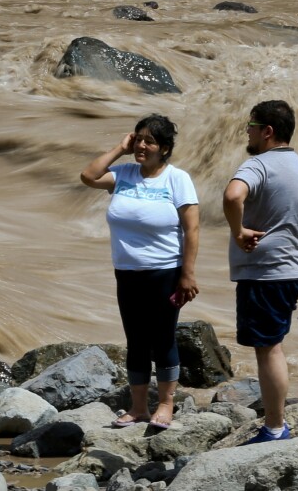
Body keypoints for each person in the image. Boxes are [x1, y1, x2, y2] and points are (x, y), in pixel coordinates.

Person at [80, 114, 199, 429]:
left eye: (150, 141)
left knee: (162, 338)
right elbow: (88, 176)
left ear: (165, 148)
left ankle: (166, 404)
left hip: (165, 272)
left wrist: (187, 274)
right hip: (127, 271)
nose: (142, 146)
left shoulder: (177, 179)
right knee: (135, 340)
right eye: (139, 139)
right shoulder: (123, 174)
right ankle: (137, 408)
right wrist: (120, 149)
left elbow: (193, 229)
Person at [222, 100, 298, 445]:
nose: (247, 130)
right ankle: (276, 423)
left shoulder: (259, 164)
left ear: (268, 131)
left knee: (268, 349)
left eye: (251, 124)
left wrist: (238, 231)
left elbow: (232, 196)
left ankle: (275, 428)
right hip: (292, 269)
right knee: (272, 344)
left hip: (266, 273)